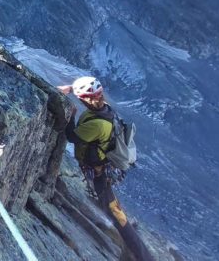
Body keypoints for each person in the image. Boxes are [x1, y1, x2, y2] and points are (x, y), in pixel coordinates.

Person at [59, 76, 154, 261]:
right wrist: (71, 89)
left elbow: (72, 136)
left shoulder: (97, 124)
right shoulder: (105, 110)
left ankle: (143, 256)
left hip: (98, 171)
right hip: (102, 167)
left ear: (84, 99)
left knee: (114, 211)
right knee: (109, 204)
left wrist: (70, 115)